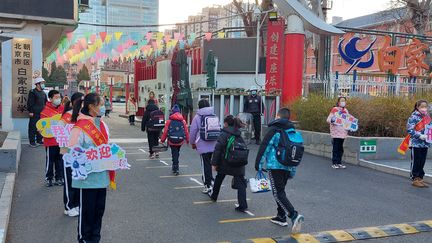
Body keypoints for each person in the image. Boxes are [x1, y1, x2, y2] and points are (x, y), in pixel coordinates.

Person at [68, 93, 110, 243]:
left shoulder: (103, 124)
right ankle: (84, 240)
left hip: (101, 178)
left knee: (99, 212)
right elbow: (72, 152)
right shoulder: (79, 127)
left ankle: (95, 239)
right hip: (86, 180)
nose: (104, 107)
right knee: (87, 214)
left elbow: (107, 148)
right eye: (102, 104)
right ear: (92, 107)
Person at [255, 107, 304, 233]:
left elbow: (265, 146)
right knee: (281, 191)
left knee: (277, 193)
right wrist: (292, 171)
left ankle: (293, 215)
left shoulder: (274, 129)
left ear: (277, 116)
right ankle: (281, 217)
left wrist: (258, 164)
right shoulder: (292, 131)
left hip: (275, 165)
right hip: (287, 166)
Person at [210, 115, 248, 212]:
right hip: (238, 163)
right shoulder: (238, 134)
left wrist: (214, 163)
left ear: (226, 123)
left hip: (225, 162)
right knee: (241, 183)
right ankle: (242, 205)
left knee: (219, 177)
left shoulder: (224, 134)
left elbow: (217, 149)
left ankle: (214, 196)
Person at [59, 92, 84, 217]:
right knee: (69, 180)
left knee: (78, 179)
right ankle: (69, 206)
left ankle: (76, 204)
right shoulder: (67, 115)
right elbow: (59, 132)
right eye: (81, 101)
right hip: (68, 153)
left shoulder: (82, 115)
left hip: (80, 153)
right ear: (74, 102)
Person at [190, 99, 218, 193]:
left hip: (202, 144)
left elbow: (193, 131)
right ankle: (211, 180)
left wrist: (192, 142)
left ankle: (207, 185)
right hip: (213, 143)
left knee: (204, 165)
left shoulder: (197, 117)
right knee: (210, 163)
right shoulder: (213, 115)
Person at [41, 90, 65, 187]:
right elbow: (42, 127)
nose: (58, 99)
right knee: (50, 160)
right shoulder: (45, 111)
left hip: (61, 140)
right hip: (50, 141)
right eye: (56, 97)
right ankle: (49, 178)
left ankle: (59, 178)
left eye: (59, 97)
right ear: (50, 99)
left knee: (60, 160)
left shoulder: (63, 109)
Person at [407, 100, 430, 188]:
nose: (424, 108)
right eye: (422, 106)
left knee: (422, 161)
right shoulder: (413, 117)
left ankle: (420, 178)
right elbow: (410, 130)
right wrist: (419, 136)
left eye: (425, 106)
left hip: (425, 143)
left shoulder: (427, 117)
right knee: (416, 161)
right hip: (416, 143)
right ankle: (415, 178)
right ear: (417, 107)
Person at [160, 105, 189, 175]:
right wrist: (188, 140)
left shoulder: (169, 121)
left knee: (174, 153)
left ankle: (175, 167)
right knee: (177, 153)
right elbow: (186, 131)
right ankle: (175, 166)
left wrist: (162, 140)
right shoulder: (183, 121)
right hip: (180, 140)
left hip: (172, 140)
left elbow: (165, 131)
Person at [326, 97, 349, 169]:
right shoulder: (335, 109)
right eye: (341, 101)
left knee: (340, 148)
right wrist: (333, 120)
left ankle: (339, 163)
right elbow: (328, 119)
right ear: (338, 102)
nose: (343, 102)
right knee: (336, 148)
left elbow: (348, 120)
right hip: (336, 133)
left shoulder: (345, 110)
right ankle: (334, 163)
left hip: (343, 133)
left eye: (344, 101)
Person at [27, 77, 47, 147]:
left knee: (40, 127)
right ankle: (32, 142)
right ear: (37, 84)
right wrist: (31, 111)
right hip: (34, 113)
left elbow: (45, 103)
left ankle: (39, 140)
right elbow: (30, 102)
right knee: (33, 127)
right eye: (42, 83)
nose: (43, 84)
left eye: (43, 83)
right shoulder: (33, 92)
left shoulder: (43, 93)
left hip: (41, 114)